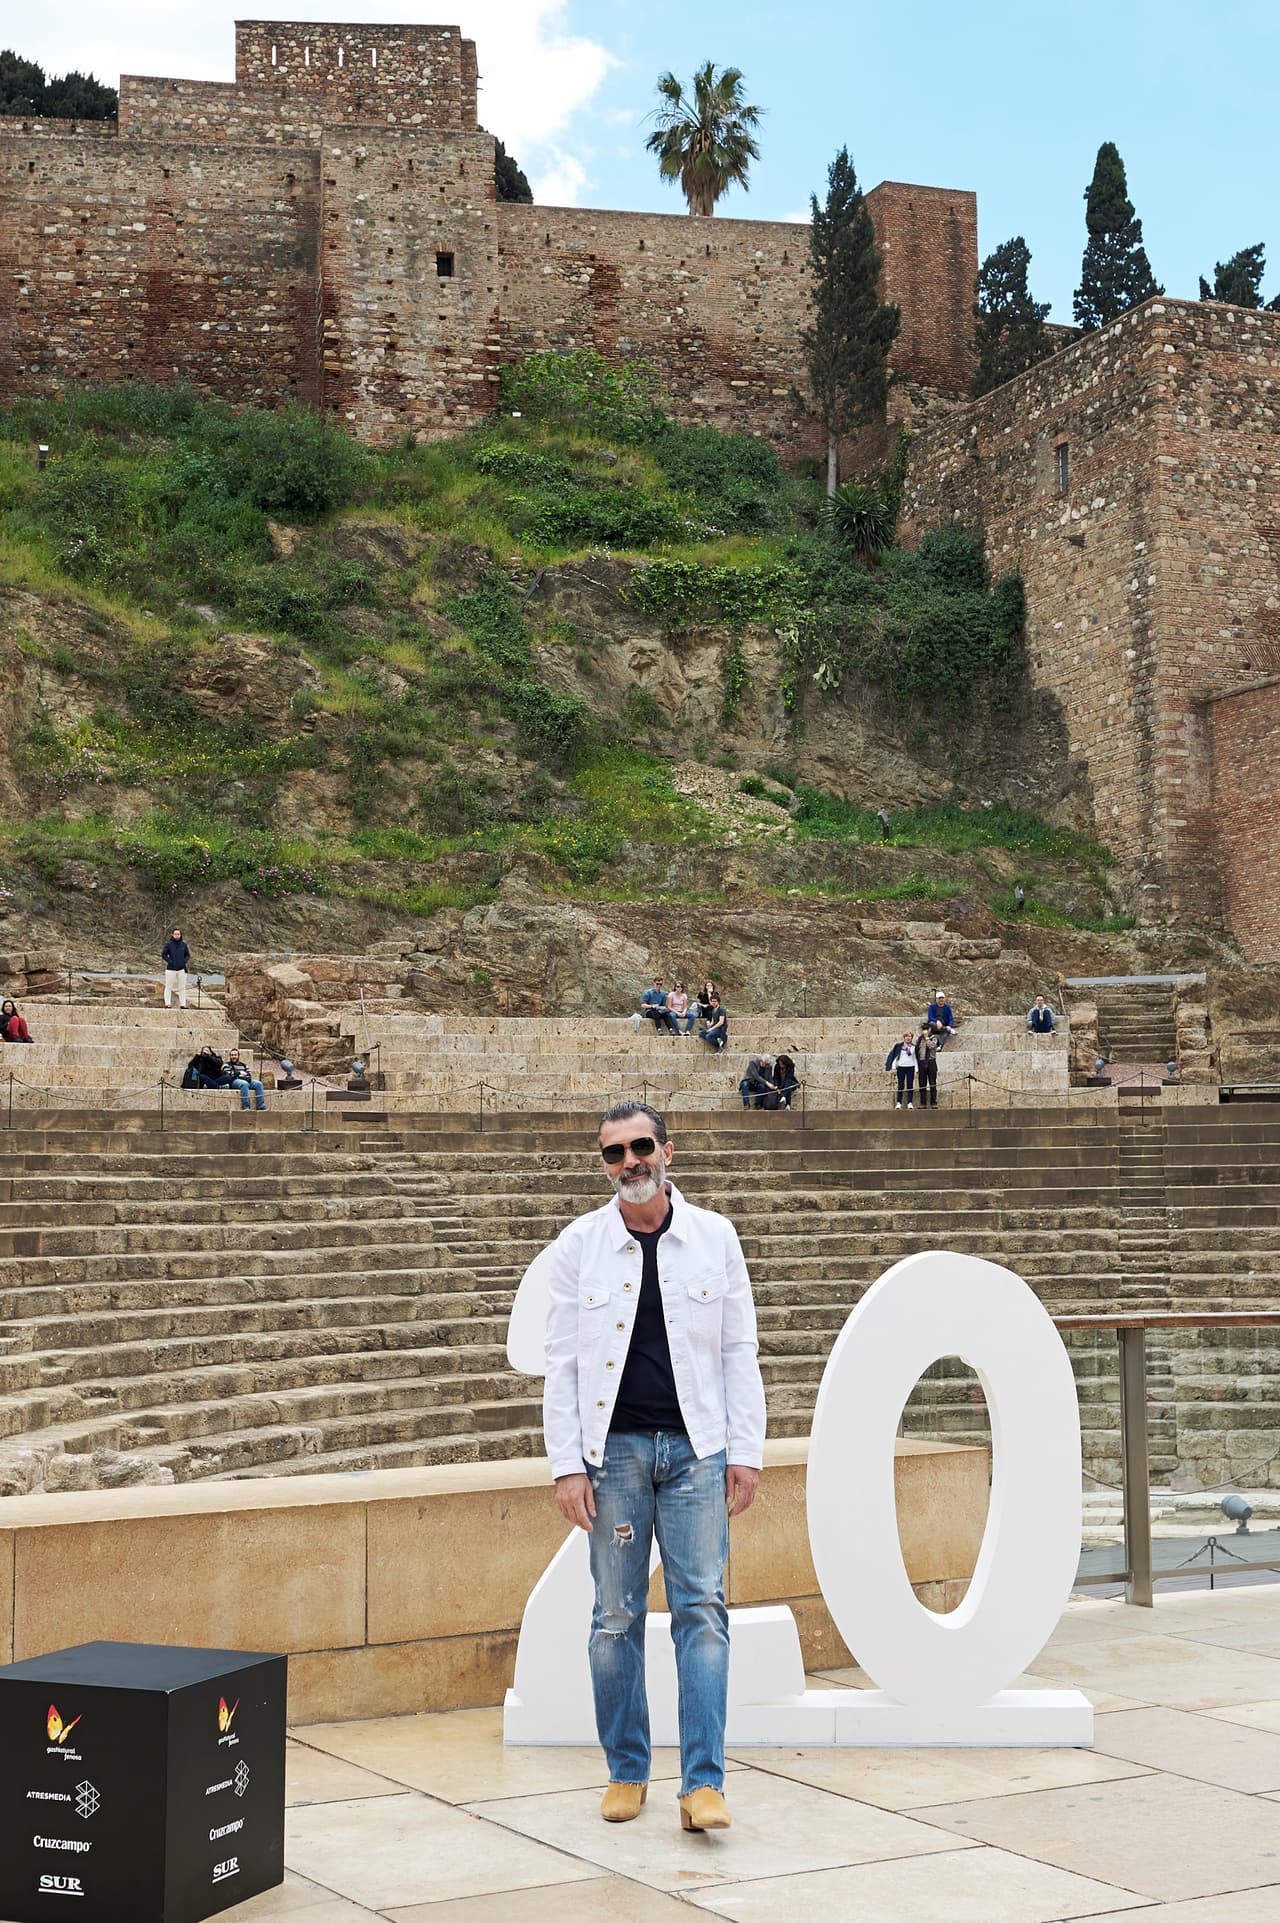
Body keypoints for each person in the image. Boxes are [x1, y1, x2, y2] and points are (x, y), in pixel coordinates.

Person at [543, 1101, 765, 1833]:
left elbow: (738, 1352)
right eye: (614, 1152)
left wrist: (747, 1451)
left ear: (668, 1150)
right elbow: (564, 1364)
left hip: (698, 1451)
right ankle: (626, 1769)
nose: (630, 1161)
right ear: (603, 1162)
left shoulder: (716, 1237)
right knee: (614, 1616)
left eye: (641, 1146)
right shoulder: (579, 1246)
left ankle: (704, 1783)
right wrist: (565, 1465)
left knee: (702, 1610)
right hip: (615, 1456)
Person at [885, 1030, 917, 1109]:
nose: (908, 1038)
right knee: (900, 1085)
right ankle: (899, 1102)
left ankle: (910, 1102)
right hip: (901, 1067)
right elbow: (895, 1057)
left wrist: (916, 1070)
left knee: (910, 1085)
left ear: (912, 1038)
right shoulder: (899, 1046)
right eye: (906, 1036)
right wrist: (893, 1067)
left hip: (911, 1067)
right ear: (904, 1037)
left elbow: (915, 1058)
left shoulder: (913, 1047)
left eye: (909, 1036)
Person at [162, 928, 191, 1010]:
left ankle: (183, 1004)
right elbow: (163, 954)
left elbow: (188, 955)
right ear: (172, 935)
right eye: (175, 934)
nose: (177, 935)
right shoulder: (169, 944)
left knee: (182, 987)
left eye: (178, 934)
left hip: (181, 969)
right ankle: (167, 1003)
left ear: (180, 935)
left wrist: (184, 961)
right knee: (168, 987)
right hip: (170, 969)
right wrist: (170, 961)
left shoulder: (184, 945)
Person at [914, 1026, 939, 1107]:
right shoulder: (919, 1039)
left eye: (925, 1029)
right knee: (922, 1083)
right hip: (921, 1063)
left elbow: (932, 1046)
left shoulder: (933, 1038)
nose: (924, 1031)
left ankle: (933, 1102)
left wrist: (926, 1038)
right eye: (923, 1030)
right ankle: (923, 1102)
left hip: (931, 1062)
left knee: (932, 1083)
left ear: (929, 1029)